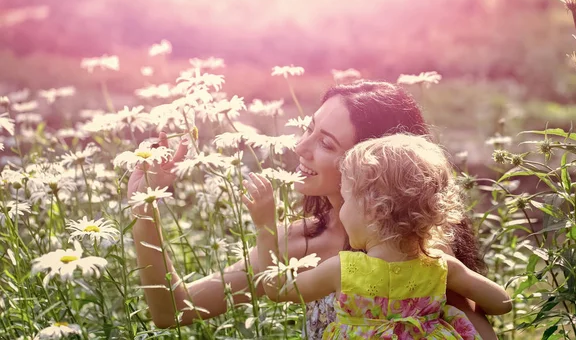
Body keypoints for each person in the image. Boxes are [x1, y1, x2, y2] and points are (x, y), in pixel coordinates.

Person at [127, 80, 498, 338]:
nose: (300, 147)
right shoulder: (296, 241)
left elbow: (477, 332)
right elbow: (173, 311)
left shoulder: (418, 256)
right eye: (309, 128)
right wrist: (144, 208)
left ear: (374, 164)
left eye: (326, 142)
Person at [243, 134, 512, 339]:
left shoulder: (345, 269)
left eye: (346, 200)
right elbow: (502, 303)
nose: (342, 209)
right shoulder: (440, 267)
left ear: (374, 209)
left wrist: (265, 227)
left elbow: (277, 290)